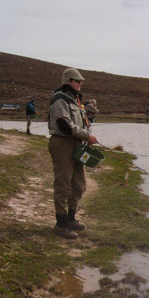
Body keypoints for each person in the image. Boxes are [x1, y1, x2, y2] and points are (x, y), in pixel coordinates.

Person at [47, 68, 102, 237]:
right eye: (77, 81)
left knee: (79, 184)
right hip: (62, 143)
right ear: (68, 81)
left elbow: (83, 123)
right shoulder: (59, 99)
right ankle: (61, 225)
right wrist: (86, 135)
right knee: (63, 183)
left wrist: (87, 137)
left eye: (81, 82)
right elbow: (64, 124)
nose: (80, 84)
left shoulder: (76, 100)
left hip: (77, 144)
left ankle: (71, 218)